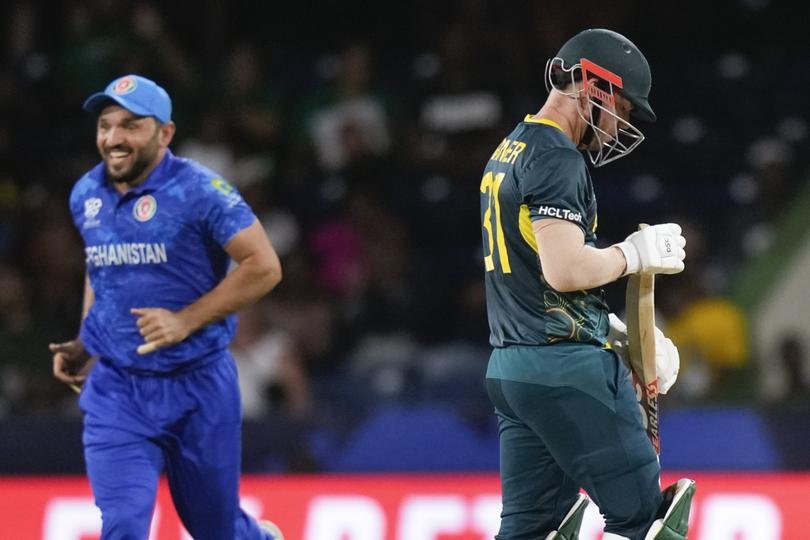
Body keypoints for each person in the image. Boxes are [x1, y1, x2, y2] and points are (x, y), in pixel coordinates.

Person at [49, 74, 285, 540]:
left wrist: (186, 320)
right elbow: (101, 269)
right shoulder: (86, 194)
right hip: (120, 389)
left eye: (131, 126)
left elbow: (264, 266)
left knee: (216, 531)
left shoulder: (201, 190)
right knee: (123, 526)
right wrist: (86, 339)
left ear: (165, 133)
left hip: (199, 388)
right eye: (105, 125)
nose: (113, 138)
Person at [479, 30, 694, 540]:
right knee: (649, 524)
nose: (623, 123)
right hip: (565, 369)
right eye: (622, 104)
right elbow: (565, 270)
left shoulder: (511, 147)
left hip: (512, 370)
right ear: (593, 86)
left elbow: (535, 275)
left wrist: (612, 326)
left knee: (531, 532)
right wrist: (634, 254)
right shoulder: (557, 156)